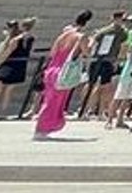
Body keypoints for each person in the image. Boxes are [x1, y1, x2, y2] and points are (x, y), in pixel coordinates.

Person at [32, 11, 91, 140]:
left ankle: (44, 128)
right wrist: (91, 44)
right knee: (55, 102)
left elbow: (53, 53)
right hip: (64, 72)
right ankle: (41, 129)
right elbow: (87, 52)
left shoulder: (63, 36)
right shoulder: (81, 37)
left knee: (49, 100)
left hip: (52, 70)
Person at [82, 10, 130, 120]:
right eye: (122, 19)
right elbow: (93, 41)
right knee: (93, 85)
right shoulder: (106, 31)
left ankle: (98, 111)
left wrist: (117, 61)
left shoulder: (122, 33)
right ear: (114, 19)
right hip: (101, 59)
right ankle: (87, 110)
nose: (123, 22)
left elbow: (122, 47)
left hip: (107, 60)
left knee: (104, 86)